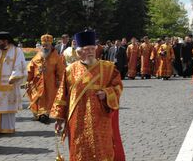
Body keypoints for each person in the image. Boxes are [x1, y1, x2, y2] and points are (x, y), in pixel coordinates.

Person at [51, 30, 125, 160]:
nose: (90, 51)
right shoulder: (70, 70)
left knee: (102, 148)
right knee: (80, 149)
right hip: (77, 119)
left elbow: (118, 86)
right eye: (87, 49)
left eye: (92, 48)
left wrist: (107, 93)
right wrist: (59, 119)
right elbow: (62, 94)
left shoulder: (108, 68)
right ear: (79, 52)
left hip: (100, 117)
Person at [0, 32, 27, 134]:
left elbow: (20, 64)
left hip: (10, 84)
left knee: (8, 107)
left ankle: (7, 128)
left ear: (6, 41)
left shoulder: (16, 51)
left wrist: (14, 76)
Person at [26, 34, 65, 123]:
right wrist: (28, 80)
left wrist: (59, 80)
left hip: (51, 82)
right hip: (37, 82)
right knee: (38, 97)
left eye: (47, 45)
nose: (45, 47)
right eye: (43, 45)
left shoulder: (56, 57)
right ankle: (39, 114)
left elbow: (61, 70)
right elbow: (31, 68)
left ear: (51, 45)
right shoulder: (37, 56)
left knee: (49, 98)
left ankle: (45, 114)